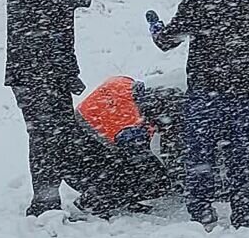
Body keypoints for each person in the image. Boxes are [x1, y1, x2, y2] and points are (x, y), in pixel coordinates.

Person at [147, 0, 249, 229]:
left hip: (206, 91)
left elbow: (167, 41)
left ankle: (201, 209)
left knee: (200, 151)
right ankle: (243, 211)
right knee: (239, 151)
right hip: (245, 92)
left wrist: (155, 27)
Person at [4, 0, 100, 217]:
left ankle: (92, 190)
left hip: (49, 72)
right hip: (33, 73)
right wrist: (73, 0)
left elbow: (58, 30)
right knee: (46, 136)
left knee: (64, 133)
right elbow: (45, 26)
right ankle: (44, 203)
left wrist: (68, 72)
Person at [77, 76, 181, 206]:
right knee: (158, 182)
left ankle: (107, 195)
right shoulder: (133, 130)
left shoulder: (125, 84)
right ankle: (92, 203)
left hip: (71, 132)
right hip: (88, 151)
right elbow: (142, 162)